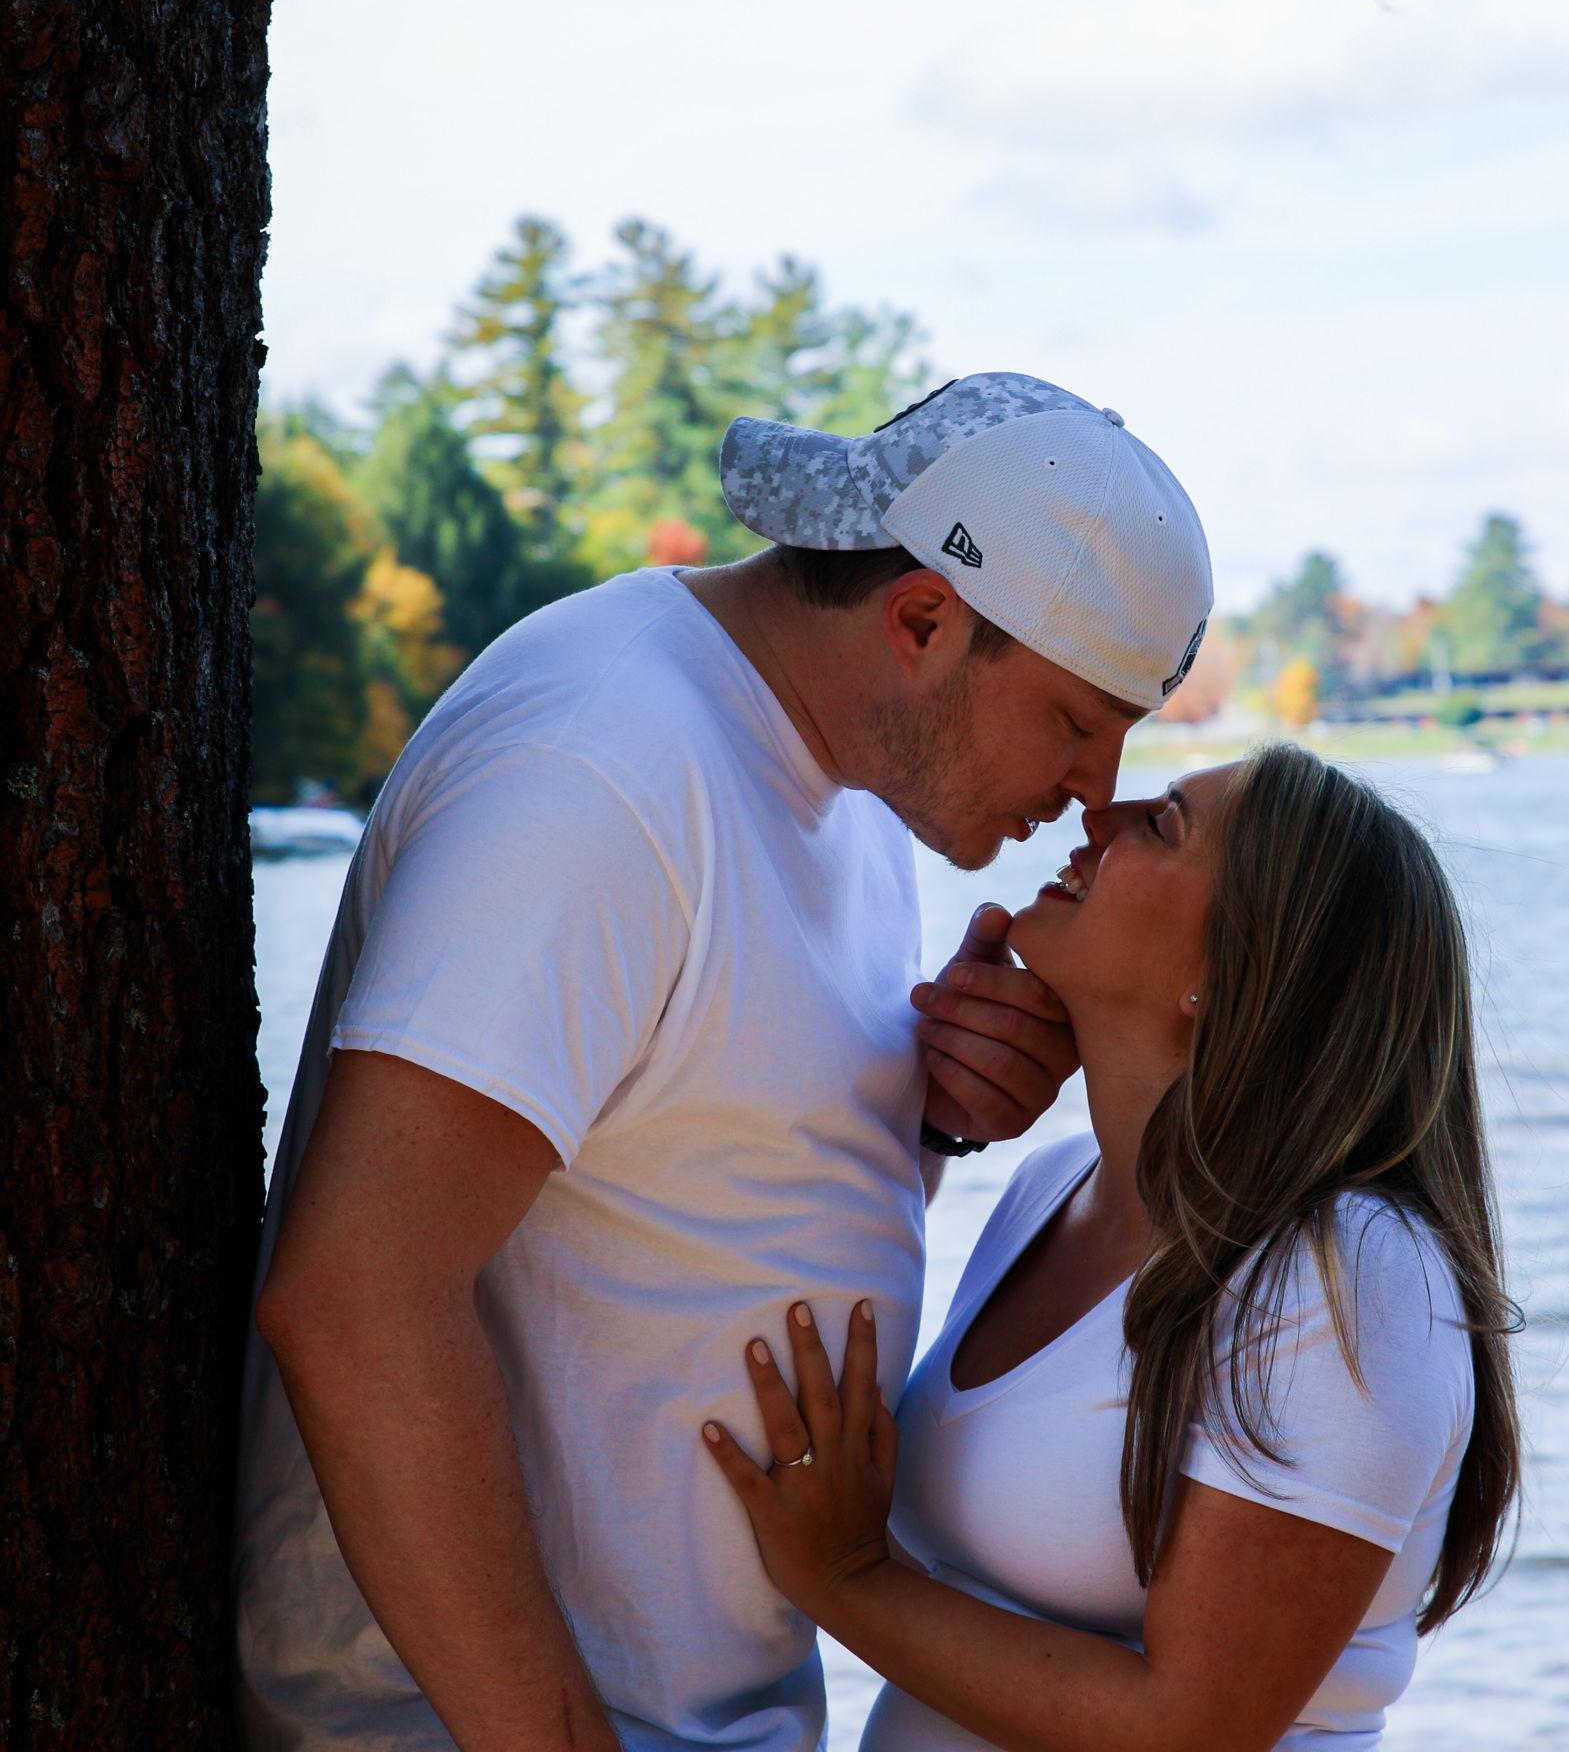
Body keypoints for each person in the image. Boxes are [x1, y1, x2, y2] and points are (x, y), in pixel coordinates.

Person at [234, 372, 1212, 1752]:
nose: (1096, 793)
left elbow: (707, 1206)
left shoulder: (845, 780)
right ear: (922, 621)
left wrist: (929, 1122)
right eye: (1075, 721)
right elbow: (356, 1300)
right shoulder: (598, 767)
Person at [705, 743, 1521, 1752]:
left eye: (1163, 824)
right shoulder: (1052, 1187)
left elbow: (1190, 1727)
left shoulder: (1348, 1269)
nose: (1098, 814)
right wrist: (934, 1117)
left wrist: (844, 1578)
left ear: (1225, 973)